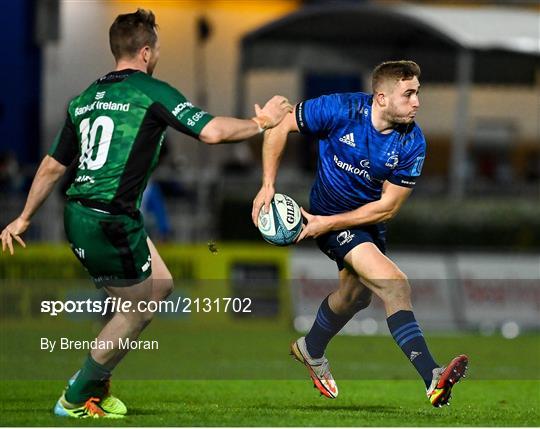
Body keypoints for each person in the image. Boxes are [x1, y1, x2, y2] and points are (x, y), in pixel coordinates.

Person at [0, 9, 291, 419]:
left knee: (161, 284)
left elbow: (51, 166)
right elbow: (210, 132)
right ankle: (76, 396)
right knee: (139, 308)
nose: (158, 55)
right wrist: (262, 121)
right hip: (108, 218)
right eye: (157, 48)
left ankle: (95, 387)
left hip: (90, 214)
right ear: (145, 51)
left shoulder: (84, 98)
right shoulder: (150, 91)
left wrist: (24, 216)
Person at [251, 60, 468, 407]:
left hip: (365, 222)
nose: (417, 102)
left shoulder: (412, 142)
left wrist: (327, 225)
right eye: (408, 94)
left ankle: (311, 348)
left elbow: (387, 207)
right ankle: (432, 376)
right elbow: (278, 127)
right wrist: (267, 186)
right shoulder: (341, 108)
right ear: (381, 97)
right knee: (395, 283)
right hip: (325, 213)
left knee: (355, 297)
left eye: (417, 93)